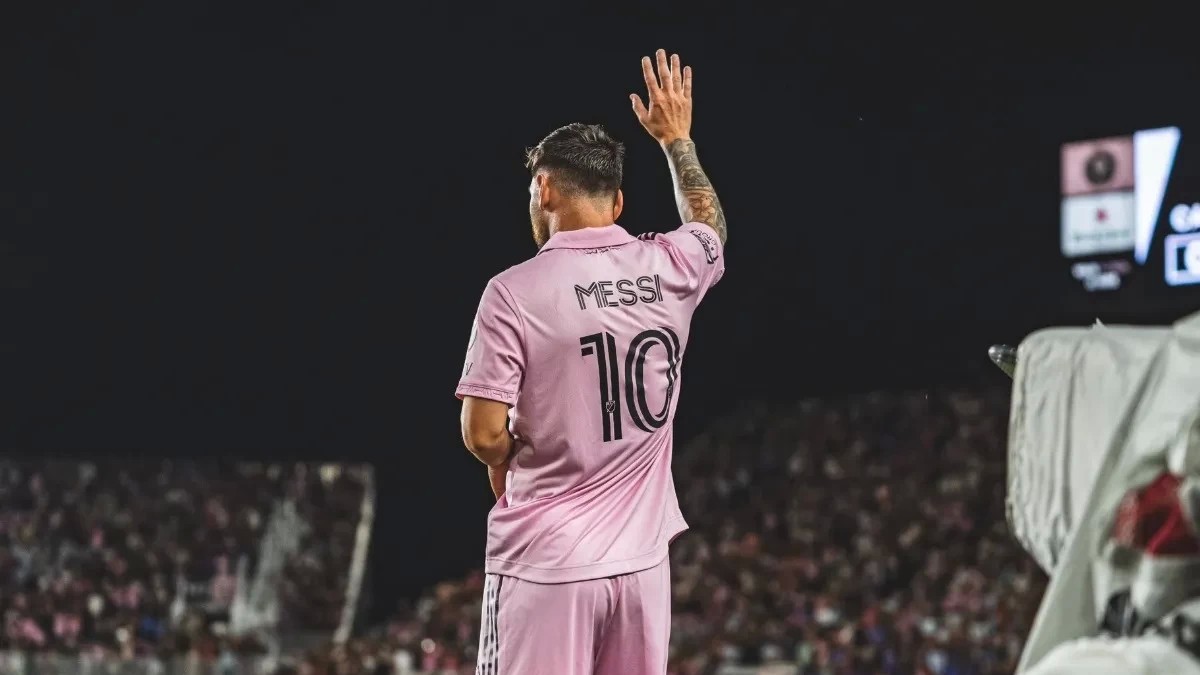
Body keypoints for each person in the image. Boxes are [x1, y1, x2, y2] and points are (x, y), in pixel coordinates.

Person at [454, 50, 727, 675]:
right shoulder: (670, 266)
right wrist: (678, 141)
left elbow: (482, 433)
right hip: (642, 567)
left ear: (544, 188)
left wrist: (510, 456)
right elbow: (709, 226)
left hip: (548, 565)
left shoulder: (513, 291)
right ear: (619, 201)